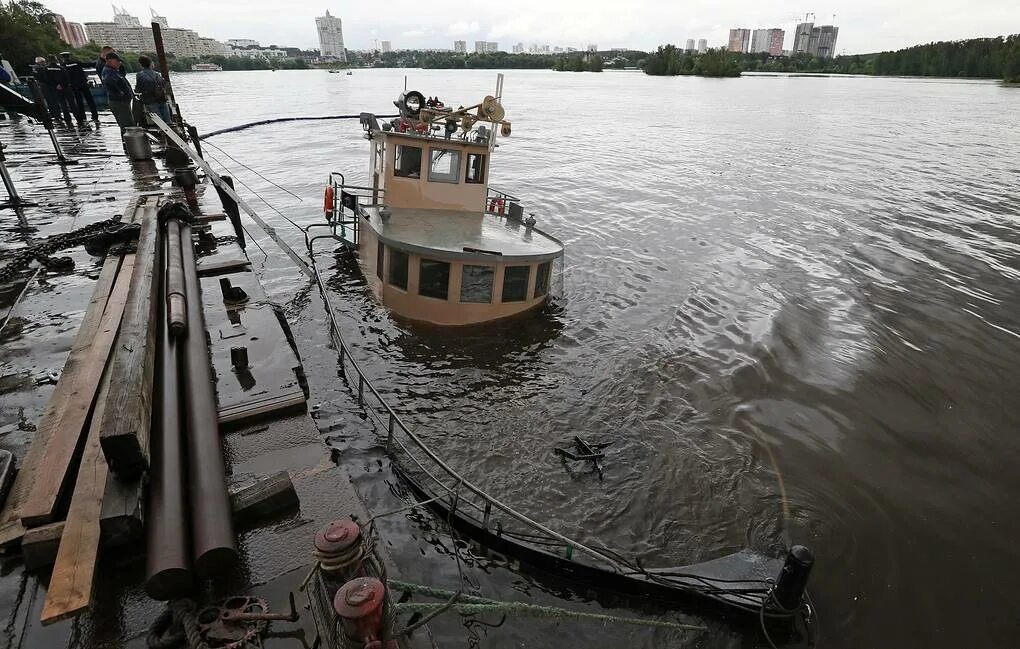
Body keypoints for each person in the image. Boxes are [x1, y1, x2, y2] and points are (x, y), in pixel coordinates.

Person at [61, 52, 98, 122]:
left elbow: (63, 76)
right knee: (90, 100)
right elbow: (87, 65)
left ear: (63, 58)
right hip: (83, 84)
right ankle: (95, 115)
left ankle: (83, 116)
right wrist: (96, 62)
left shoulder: (63, 65)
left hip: (74, 86)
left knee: (79, 102)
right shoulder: (76, 62)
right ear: (69, 56)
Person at [134, 55, 171, 125]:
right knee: (168, 121)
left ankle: (162, 134)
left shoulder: (140, 75)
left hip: (150, 101)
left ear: (141, 65)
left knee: (159, 122)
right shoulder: (157, 74)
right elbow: (164, 85)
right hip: (162, 99)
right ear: (151, 63)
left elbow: (138, 89)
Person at [101, 52, 134, 130]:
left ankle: (128, 141)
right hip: (119, 102)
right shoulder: (109, 71)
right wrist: (120, 93)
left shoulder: (113, 70)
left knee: (128, 123)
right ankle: (128, 141)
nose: (119, 63)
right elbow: (109, 82)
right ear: (110, 60)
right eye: (117, 61)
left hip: (121, 101)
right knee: (127, 125)